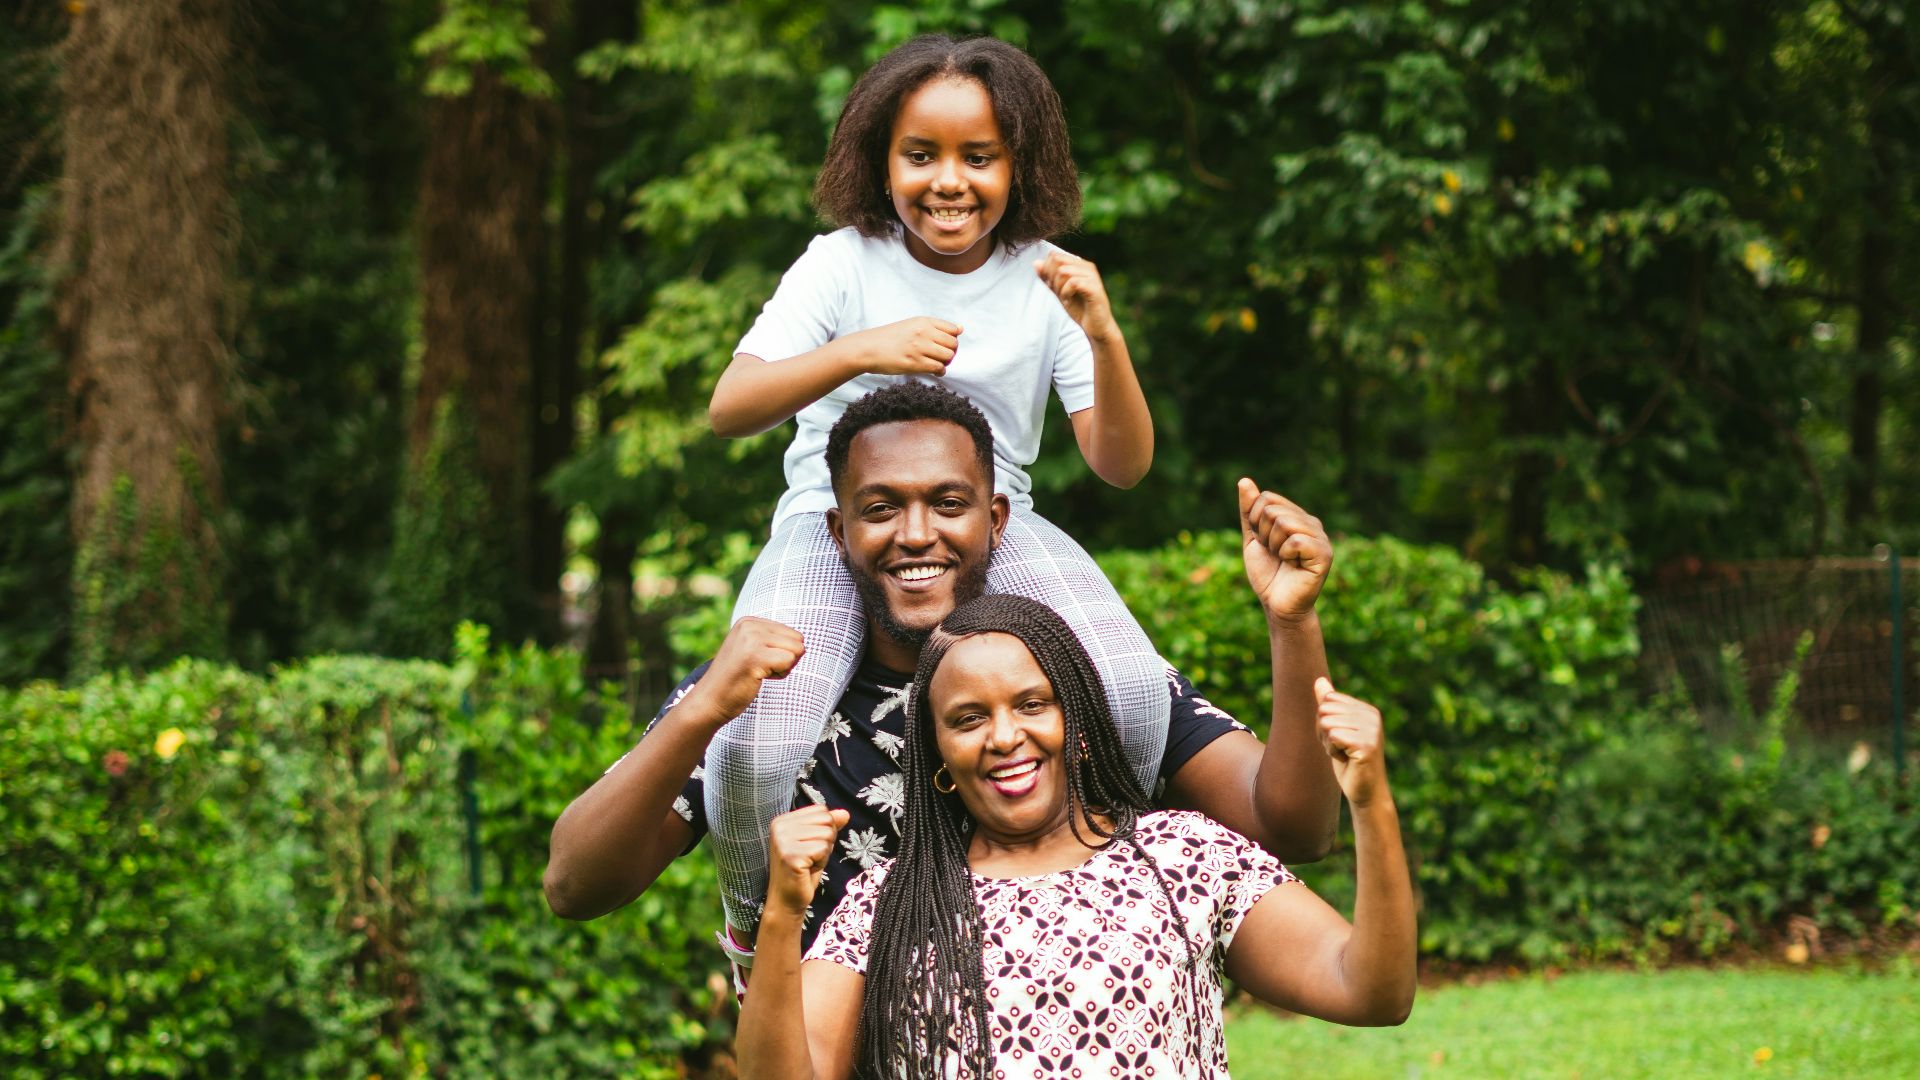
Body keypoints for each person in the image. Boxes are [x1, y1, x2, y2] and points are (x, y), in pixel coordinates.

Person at [543, 382, 1342, 987]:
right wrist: (700, 715)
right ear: (838, 530)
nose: (916, 534)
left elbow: (1293, 826)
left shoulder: (1076, 679)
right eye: (881, 507)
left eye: (948, 504)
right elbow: (575, 885)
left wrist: (1293, 624)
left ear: (995, 520)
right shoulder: (764, 697)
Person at [702, 33, 1165, 947]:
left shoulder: (1043, 276)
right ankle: (757, 931)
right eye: (922, 155)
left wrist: (1105, 336)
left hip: (999, 529)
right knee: (755, 742)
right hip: (828, 530)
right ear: (882, 163)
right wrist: (859, 352)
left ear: (1016, 165)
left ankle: (1104, 896)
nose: (947, 181)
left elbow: (1121, 463)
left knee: (1137, 696)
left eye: (977, 157)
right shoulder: (841, 263)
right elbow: (730, 406)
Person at [738, 593, 1417, 1079]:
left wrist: (1371, 806)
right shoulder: (888, 902)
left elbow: (1371, 992)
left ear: (1081, 721)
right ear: (938, 755)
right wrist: (781, 917)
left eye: (1033, 704)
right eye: (969, 718)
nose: (1006, 737)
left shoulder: (1185, 857)